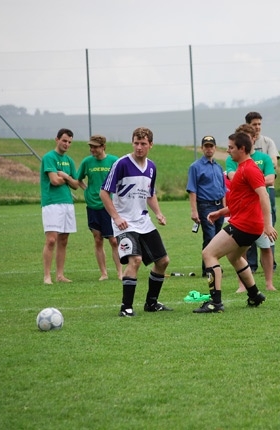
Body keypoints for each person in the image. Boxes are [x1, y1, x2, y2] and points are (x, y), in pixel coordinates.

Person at [193, 132, 277, 313]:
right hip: (248, 224)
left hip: (245, 225)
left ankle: (215, 303)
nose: (228, 150)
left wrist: (268, 224)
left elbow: (263, 195)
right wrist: (221, 212)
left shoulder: (250, 169)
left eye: (231, 147)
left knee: (209, 253)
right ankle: (254, 295)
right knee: (234, 257)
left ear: (242, 149)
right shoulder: (242, 169)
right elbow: (241, 202)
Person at [100, 127, 173, 316]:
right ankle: (126, 308)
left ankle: (151, 303)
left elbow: (150, 194)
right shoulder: (121, 164)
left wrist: (158, 213)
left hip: (143, 222)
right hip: (124, 223)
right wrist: (116, 217)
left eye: (143, 144)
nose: (139, 147)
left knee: (163, 261)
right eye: (136, 143)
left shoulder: (151, 167)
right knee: (135, 260)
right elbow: (104, 192)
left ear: (151, 145)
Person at [226, 124, 276, 292]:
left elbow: (270, 179)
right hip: (241, 213)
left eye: (248, 136)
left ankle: (269, 283)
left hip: (260, 212)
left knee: (266, 247)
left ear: (253, 139)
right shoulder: (233, 158)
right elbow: (233, 177)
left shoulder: (262, 158)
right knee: (239, 252)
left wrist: (252, 181)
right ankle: (243, 285)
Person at [77, 134, 122, 281]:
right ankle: (104, 273)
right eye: (91, 147)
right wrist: (87, 191)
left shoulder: (114, 161)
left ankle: (120, 272)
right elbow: (79, 179)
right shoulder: (87, 162)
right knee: (97, 239)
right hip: (92, 205)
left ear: (103, 147)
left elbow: (122, 180)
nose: (92, 149)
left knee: (113, 240)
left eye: (95, 147)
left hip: (109, 206)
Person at [40, 128, 80, 284]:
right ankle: (47, 276)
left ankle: (60, 275)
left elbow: (76, 184)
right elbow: (54, 181)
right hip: (52, 202)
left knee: (63, 240)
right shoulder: (49, 157)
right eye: (64, 140)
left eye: (69, 142)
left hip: (67, 203)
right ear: (57, 140)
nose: (67, 144)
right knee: (51, 240)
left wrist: (65, 176)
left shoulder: (69, 161)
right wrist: (66, 179)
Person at [186, 135, 226, 277]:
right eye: (206, 146)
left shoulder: (218, 167)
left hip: (219, 205)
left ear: (215, 148)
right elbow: (192, 189)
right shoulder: (195, 167)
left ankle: (212, 265)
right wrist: (194, 211)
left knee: (218, 238)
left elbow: (223, 189)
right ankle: (209, 268)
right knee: (210, 237)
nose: (209, 149)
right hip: (205, 206)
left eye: (211, 146)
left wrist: (224, 208)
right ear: (202, 148)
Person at [245, 111, 279, 271]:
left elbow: (273, 164)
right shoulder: (242, 144)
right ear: (248, 126)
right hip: (248, 194)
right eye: (254, 124)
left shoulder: (268, 142)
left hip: (267, 190)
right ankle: (251, 264)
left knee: (269, 223)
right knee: (249, 225)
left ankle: (270, 262)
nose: (257, 127)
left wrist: (254, 181)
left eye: (259, 124)